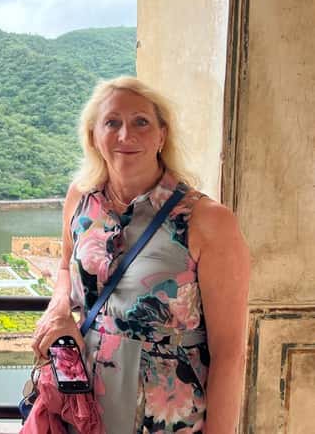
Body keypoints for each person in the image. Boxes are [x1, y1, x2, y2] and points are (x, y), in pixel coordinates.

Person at [31, 76, 249, 432]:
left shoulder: (207, 220)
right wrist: (58, 307)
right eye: (111, 122)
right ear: (93, 135)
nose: (125, 135)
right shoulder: (81, 198)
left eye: (141, 122)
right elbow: (66, 268)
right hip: (84, 406)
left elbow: (230, 353)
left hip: (166, 416)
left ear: (162, 135)